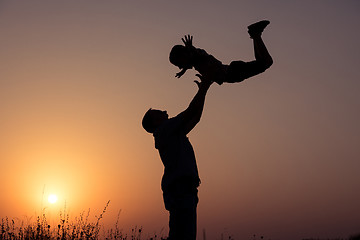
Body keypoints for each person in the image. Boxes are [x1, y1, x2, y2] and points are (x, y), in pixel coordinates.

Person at [142, 74, 213, 240]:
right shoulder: (164, 130)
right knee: (183, 235)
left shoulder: (172, 132)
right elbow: (189, 113)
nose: (165, 111)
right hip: (180, 190)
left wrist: (204, 90)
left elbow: (195, 117)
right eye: (159, 112)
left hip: (183, 189)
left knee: (183, 234)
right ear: (155, 122)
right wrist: (203, 88)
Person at [169, 20, 273, 85]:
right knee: (262, 62)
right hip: (233, 72)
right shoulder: (193, 61)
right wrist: (183, 71)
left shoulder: (197, 56)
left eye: (179, 64)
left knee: (266, 62)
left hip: (233, 72)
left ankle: (256, 34)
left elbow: (197, 55)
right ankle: (255, 35)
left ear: (184, 55)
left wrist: (191, 48)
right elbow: (189, 63)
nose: (180, 67)